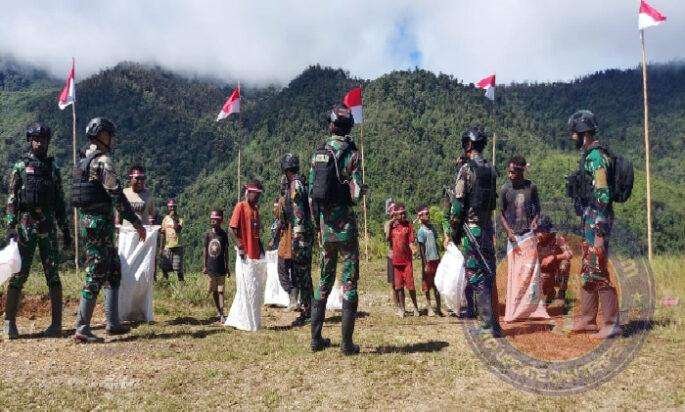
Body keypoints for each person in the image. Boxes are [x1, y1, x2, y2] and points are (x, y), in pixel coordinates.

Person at [71, 117, 146, 343]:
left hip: (89, 222)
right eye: (110, 135)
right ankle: (82, 328)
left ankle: (112, 323)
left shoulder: (83, 160)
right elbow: (117, 196)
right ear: (102, 135)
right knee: (96, 271)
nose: (112, 139)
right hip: (99, 225)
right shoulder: (103, 161)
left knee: (113, 269)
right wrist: (136, 222)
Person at [3, 122, 72, 339]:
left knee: (53, 273)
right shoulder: (20, 168)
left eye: (42, 139)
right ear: (29, 141)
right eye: (35, 139)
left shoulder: (53, 169)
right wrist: (10, 227)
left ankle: (56, 324)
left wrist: (65, 230)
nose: (39, 143)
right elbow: (12, 200)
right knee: (18, 273)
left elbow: (60, 202)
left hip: (48, 226)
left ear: (48, 141)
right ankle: (9, 323)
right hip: (25, 226)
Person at [309, 104, 364, 355]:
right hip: (346, 228)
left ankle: (316, 339)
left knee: (324, 280)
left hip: (325, 227)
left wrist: (318, 225)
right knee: (349, 282)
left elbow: (312, 196)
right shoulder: (352, 155)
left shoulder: (319, 154)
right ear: (348, 127)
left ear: (331, 125)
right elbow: (356, 195)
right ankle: (346, 344)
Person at [443, 125, 502, 338]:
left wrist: (453, 231)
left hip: (472, 230)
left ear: (468, 144)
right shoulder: (491, 169)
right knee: (488, 274)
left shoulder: (466, 170)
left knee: (475, 276)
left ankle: (487, 325)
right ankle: (494, 323)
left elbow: (458, 205)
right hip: (487, 228)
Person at [567, 110, 621, 338]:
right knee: (588, 268)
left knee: (597, 268)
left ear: (583, 133)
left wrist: (599, 231)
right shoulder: (589, 155)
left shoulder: (596, 157)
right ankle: (588, 319)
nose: (572, 137)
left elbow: (603, 194)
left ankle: (611, 324)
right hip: (590, 218)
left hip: (598, 220)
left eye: (574, 133)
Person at [277, 153, 315, 326]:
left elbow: (298, 212)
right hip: (306, 234)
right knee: (304, 273)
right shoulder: (302, 182)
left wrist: (296, 237)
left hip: (301, 236)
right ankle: (310, 310)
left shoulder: (295, 185)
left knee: (302, 275)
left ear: (286, 169)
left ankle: (309, 312)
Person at [225, 180, 266, 331]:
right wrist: (240, 245)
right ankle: (245, 322)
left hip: (255, 255)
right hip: (245, 255)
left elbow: (256, 233)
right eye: (256, 194)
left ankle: (250, 321)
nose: (257, 198)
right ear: (249, 193)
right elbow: (231, 229)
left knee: (254, 289)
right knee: (246, 288)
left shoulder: (256, 209)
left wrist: (262, 251)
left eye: (259, 195)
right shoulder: (241, 206)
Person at [499, 155, 541, 244]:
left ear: (521, 172)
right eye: (509, 172)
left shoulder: (531, 187)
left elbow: (538, 209)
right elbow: (502, 215)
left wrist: (535, 221)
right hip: (513, 237)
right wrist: (508, 231)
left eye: (513, 173)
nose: (510, 175)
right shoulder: (505, 189)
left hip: (529, 235)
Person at [388, 203, 419, 317]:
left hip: (407, 261)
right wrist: (390, 224)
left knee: (411, 285)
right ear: (396, 214)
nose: (403, 216)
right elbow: (387, 238)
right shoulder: (392, 226)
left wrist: (413, 248)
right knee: (399, 287)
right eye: (401, 214)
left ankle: (415, 307)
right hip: (396, 262)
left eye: (404, 213)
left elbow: (411, 241)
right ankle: (402, 309)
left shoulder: (408, 225)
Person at [535, 215, 573, 305]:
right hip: (542, 272)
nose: (539, 234)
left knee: (565, 264)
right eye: (538, 231)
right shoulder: (534, 241)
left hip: (556, 271)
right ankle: (550, 292)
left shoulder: (557, 239)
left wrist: (553, 257)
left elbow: (569, 254)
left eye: (542, 231)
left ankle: (561, 292)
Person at [203, 209, 229, 324]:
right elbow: (205, 250)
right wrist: (204, 266)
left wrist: (227, 266)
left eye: (215, 219)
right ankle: (219, 311)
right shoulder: (208, 234)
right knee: (214, 291)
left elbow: (226, 251)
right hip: (211, 268)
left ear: (220, 221)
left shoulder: (223, 235)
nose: (213, 221)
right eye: (212, 219)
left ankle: (222, 313)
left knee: (221, 291)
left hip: (221, 267)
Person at [416, 205, 442, 317]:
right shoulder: (421, 231)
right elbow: (422, 249)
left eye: (428, 213)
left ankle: (439, 308)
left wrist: (439, 258)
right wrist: (425, 264)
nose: (428, 215)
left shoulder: (432, 229)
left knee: (437, 284)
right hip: (428, 261)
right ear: (421, 216)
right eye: (426, 214)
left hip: (436, 259)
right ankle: (429, 307)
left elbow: (436, 244)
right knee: (427, 285)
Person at [160, 199, 184, 282]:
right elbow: (162, 234)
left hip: (177, 246)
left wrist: (174, 219)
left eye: (174, 206)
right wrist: (161, 248)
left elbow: (178, 230)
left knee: (178, 267)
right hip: (167, 246)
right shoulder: (165, 219)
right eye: (171, 207)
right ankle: (165, 283)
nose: (172, 208)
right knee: (164, 267)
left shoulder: (180, 219)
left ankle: (181, 283)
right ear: (168, 207)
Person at [383, 199, 399, 310]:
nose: (394, 214)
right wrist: (391, 223)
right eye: (392, 211)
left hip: (401, 255)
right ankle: (396, 305)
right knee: (393, 283)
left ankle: (401, 304)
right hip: (392, 255)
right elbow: (387, 237)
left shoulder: (401, 223)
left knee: (400, 283)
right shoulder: (387, 224)